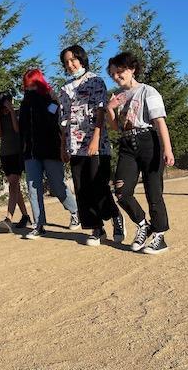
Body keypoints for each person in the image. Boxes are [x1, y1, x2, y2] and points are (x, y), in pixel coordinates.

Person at [104, 52, 174, 254]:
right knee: (121, 192)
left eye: (120, 71)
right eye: (113, 74)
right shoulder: (118, 96)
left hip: (148, 142)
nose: (116, 76)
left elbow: (159, 121)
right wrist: (110, 108)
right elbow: (116, 127)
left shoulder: (148, 91)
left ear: (132, 69)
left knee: (154, 192)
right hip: (127, 145)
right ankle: (143, 224)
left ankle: (159, 236)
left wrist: (167, 149)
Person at [58, 45, 125, 246]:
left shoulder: (95, 81)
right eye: (66, 62)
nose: (70, 65)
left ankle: (115, 216)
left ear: (82, 59)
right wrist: (63, 145)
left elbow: (101, 111)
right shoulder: (65, 88)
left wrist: (96, 138)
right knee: (82, 188)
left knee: (99, 185)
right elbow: (63, 120)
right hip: (74, 145)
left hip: (97, 144)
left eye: (73, 60)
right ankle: (97, 228)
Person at [18, 69, 79, 239]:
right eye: (27, 85)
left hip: (51, 149)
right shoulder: (25, 103)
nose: (29, 88)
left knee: (57, 186)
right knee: (33, 189)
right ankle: (39, 225)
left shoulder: (51, 99)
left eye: (32, 84)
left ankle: (75, 211)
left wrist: (50, 100)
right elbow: (22, 128)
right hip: (31, 152)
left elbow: (55, 122)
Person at [0, 91, 31, 232]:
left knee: (14, 184)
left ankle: (9, 218)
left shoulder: (17, 113)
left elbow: (17, 129)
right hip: (5, 153)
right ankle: (25, 216)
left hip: (17, 153)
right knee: (15, 186)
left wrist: (12, 112)